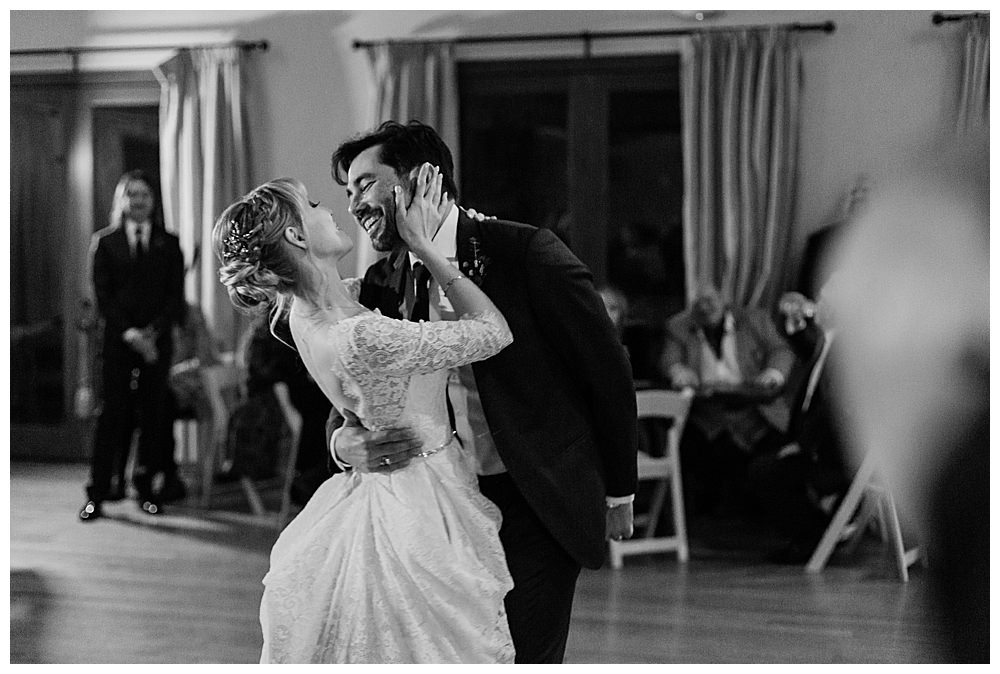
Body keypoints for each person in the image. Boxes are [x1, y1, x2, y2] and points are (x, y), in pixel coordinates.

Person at [329, 120, 638, 664]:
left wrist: (619, 490)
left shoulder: (524, 252)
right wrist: (342, 444)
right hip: (435, 505)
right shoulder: (385, 279)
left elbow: (606, 371)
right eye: (347, 190)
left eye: (364, 183)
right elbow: (350, 390)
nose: (353, 204)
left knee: (524, 655)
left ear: (421, 178)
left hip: (533, 495)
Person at [214, 167, 516, 663]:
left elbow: (354, 399)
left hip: (385, 486)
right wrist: (425, 245)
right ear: (294, 235)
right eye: (312, 206)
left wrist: (342, 441)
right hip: (418, 498)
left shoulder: (305, 311)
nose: (333, 208)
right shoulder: (358, 333)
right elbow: (492, 332)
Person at [80, 170, 185, 521]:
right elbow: (103, 296)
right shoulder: (104, 242)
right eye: (132, 194)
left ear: (152, 201)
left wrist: (151, 334)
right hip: (118, 343)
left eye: (144, 194)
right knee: (112, 415)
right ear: (122, 201)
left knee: (153, 414)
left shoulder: (169, 243)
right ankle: (99, 491)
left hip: (156, 344)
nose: (138, 200)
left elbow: (174, 298)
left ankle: (146, 489)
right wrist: (130, 334)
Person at [659, 283, 794, 514]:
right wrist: (679, 371)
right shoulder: (679, 327)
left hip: (755, 411)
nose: (705, 307)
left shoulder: (754, 320)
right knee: (687, 447)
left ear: (723, 300)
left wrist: (773, 374)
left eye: (711, 300)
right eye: (699, 302)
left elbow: (780, 350)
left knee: (778, 455)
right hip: (709, 416)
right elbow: (670, 361)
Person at [747, 280, 851, 563]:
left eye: (824, 299)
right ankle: (816, 533)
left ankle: (814, 537)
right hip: (816, 441)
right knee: (759, 452)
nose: (816, 303)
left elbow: (835, 406)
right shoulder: (830, 339)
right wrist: (795, 322)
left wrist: (804, 445)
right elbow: (809, 351)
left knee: (765, 471)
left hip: (833, 452)